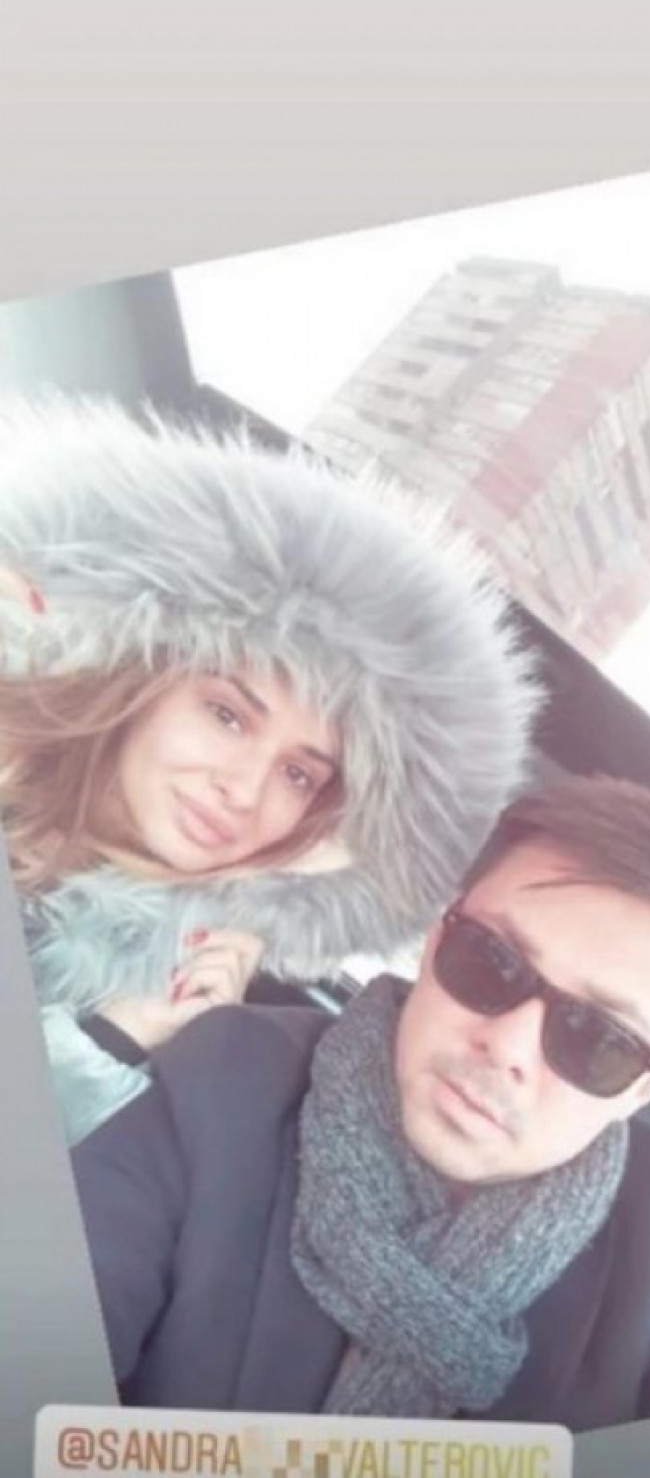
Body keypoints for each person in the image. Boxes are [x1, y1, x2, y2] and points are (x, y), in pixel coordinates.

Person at [71, 771, 650, 1430]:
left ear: (644, 1086)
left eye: (600, 1039)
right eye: (492, 961)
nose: (508, 1048)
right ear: (435, 941)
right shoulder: (230, 1079)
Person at [0, 396, 537, 1144]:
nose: (245, 790)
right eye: (227, 715)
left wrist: (116, 1046)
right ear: (137, 671)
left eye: (298, 775)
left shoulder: (183, 1012)